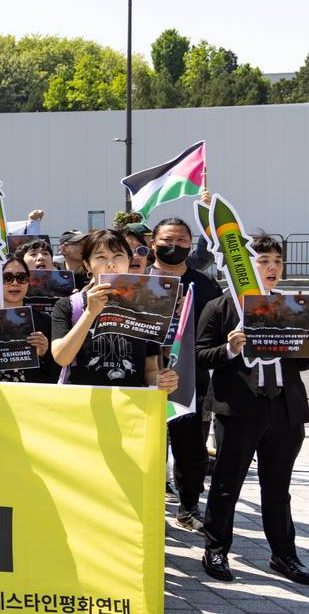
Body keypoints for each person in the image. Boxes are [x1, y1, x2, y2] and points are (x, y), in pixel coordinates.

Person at [198, 234, 309, 584]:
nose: (273, 267)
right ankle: (216, 551)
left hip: (285, 409)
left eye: (277, 260)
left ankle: (284, 556)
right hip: (239, 409)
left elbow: (301, 364)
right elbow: (201, 356)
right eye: (264, 260)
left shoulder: (293, 306)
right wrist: (230, 349)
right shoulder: (221, 306)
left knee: (277, 487)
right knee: (227, 484)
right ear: (244, 267)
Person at [149, 215, 224, 532]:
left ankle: (189, 506)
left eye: (181, 240)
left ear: (191, 244)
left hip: (193, 379)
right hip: (144, 375)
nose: (173, 246)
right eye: (167, 240)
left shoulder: (205, 284)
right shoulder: (136, 280)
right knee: (147, 446)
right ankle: (145, 504)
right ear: (153, 243)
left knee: (191, 449)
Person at [49, 229, 178, 391]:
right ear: (87, 264)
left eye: (118, 256)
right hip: (82, 406)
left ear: (129, 261)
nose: (111, 264)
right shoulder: (68, 305)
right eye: (101, 257)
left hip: (130, 407)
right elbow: (62, 358)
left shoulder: (147, 306)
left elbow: (150, 369)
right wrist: (90, 313)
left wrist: (160, 381)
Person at [0, 257, 59, 383]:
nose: (15, 283)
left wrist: (45, 353)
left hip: (31, 397)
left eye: (21, 277)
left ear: (28, 281)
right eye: (7, 277)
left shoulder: (44, 320)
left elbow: (58, 373)